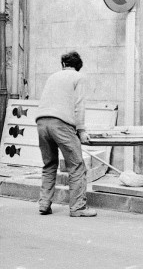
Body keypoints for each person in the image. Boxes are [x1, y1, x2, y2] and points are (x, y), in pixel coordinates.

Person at [35, 51, 97, 217]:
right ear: (78, 66)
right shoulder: (79, 77)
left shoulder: (52, 77)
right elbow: (79, 106)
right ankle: (78, 208)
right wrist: (82, 130)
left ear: (63, 65)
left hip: (41, 122)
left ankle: (44, 205)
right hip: (61, 124)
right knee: (76, 165)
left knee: (49, 165)